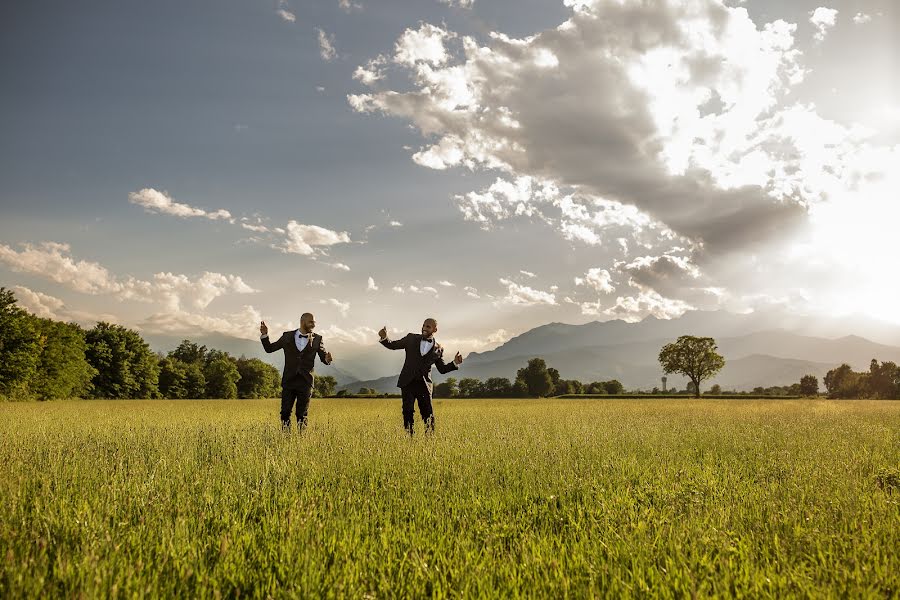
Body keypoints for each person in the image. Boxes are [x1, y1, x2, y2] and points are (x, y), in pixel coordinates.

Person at [378, 318, 463, 435]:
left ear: (435, 329)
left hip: (424, 385)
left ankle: (430, 440)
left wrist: (455, 363)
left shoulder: (438, 348)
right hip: (408, 382)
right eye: (423, 325)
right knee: (407, 412)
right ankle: (409, 438)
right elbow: (393, 345)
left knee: (428, 413)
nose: (424, 328)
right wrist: (384, 338)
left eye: (428, 326)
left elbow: (442, 369)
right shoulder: (411, 338)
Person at [260, 313, 333, 430]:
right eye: (311, 322)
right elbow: (269, 349)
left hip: (305, 383)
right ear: (302, 321)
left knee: (301, 414)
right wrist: (264, 335)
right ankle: (286, 439)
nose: (313, 325)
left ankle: (301, 441)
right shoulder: (287, 336)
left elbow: (323, 357)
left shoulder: (318, 339)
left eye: (314, 322)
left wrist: (327, 359)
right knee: (284, 413)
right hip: (289, 381)